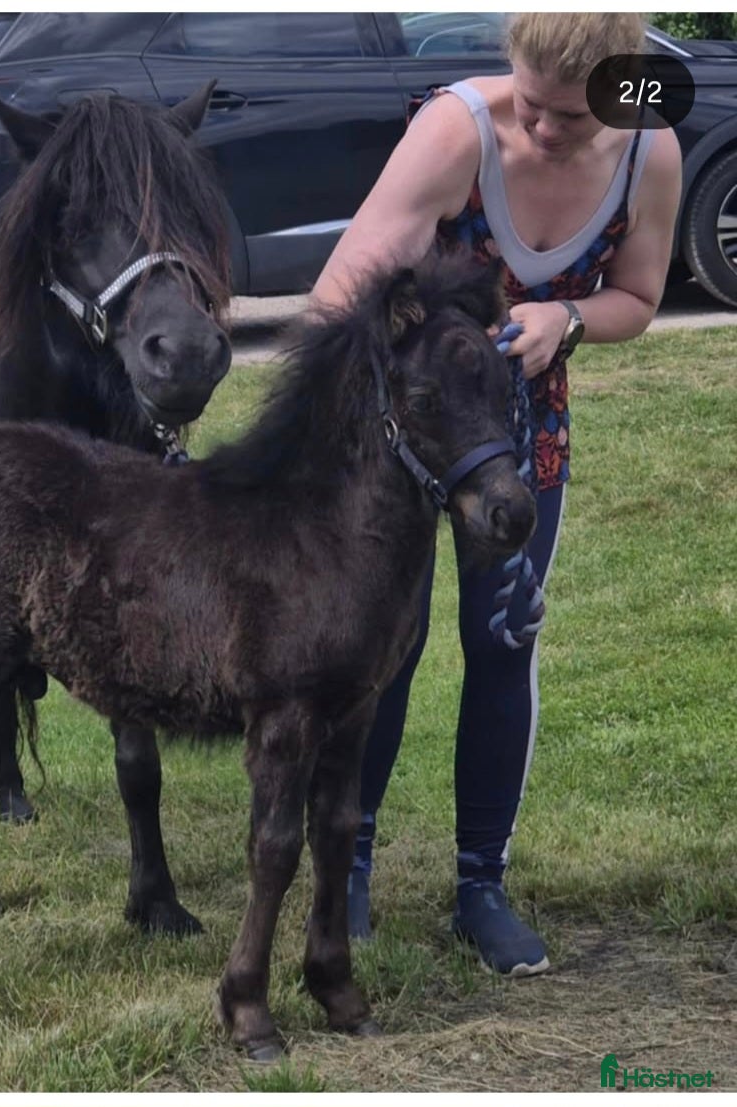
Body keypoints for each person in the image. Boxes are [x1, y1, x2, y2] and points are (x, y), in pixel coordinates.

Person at [311, 12, 681, 975]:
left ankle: (481, 886)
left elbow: (639, 298)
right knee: (385, 645)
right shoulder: (455, 131)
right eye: (532, 101)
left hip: (522, 435)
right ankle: (346, 864)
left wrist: (568, 316)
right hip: (405, 427)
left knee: (502, 635)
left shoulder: (652, 150)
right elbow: (335, 298)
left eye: (573, 116)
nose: (546, 128)